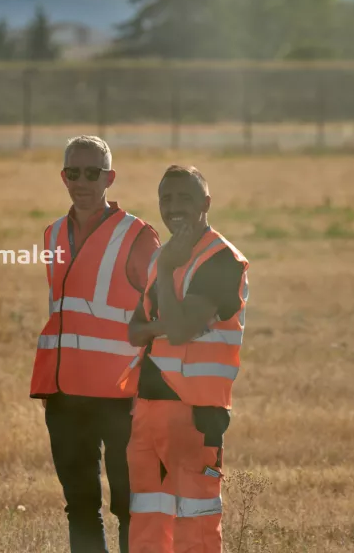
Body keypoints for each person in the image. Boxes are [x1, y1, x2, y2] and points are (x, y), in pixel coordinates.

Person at [30, 136, 160, 553]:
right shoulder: (51, 234)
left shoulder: (138, 235)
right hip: (65, 395)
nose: (82, 181)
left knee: (129, 505)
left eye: (92, 173)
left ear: (110, 177)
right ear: (63, 177)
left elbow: (157, 316)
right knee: (80, 505)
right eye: (74, 172)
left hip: (121, 396)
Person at [119, 165, 250, 553]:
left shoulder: (222, 260)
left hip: (195, 411)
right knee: (148, 521)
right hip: (148, 407)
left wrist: (164, 277)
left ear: (206, 203)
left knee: (196, 525)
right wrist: (169, 319)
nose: (173, 207)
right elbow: (133, 331)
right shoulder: (167, 255)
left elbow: (174, 330)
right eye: (166, 198)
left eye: (185, 198)